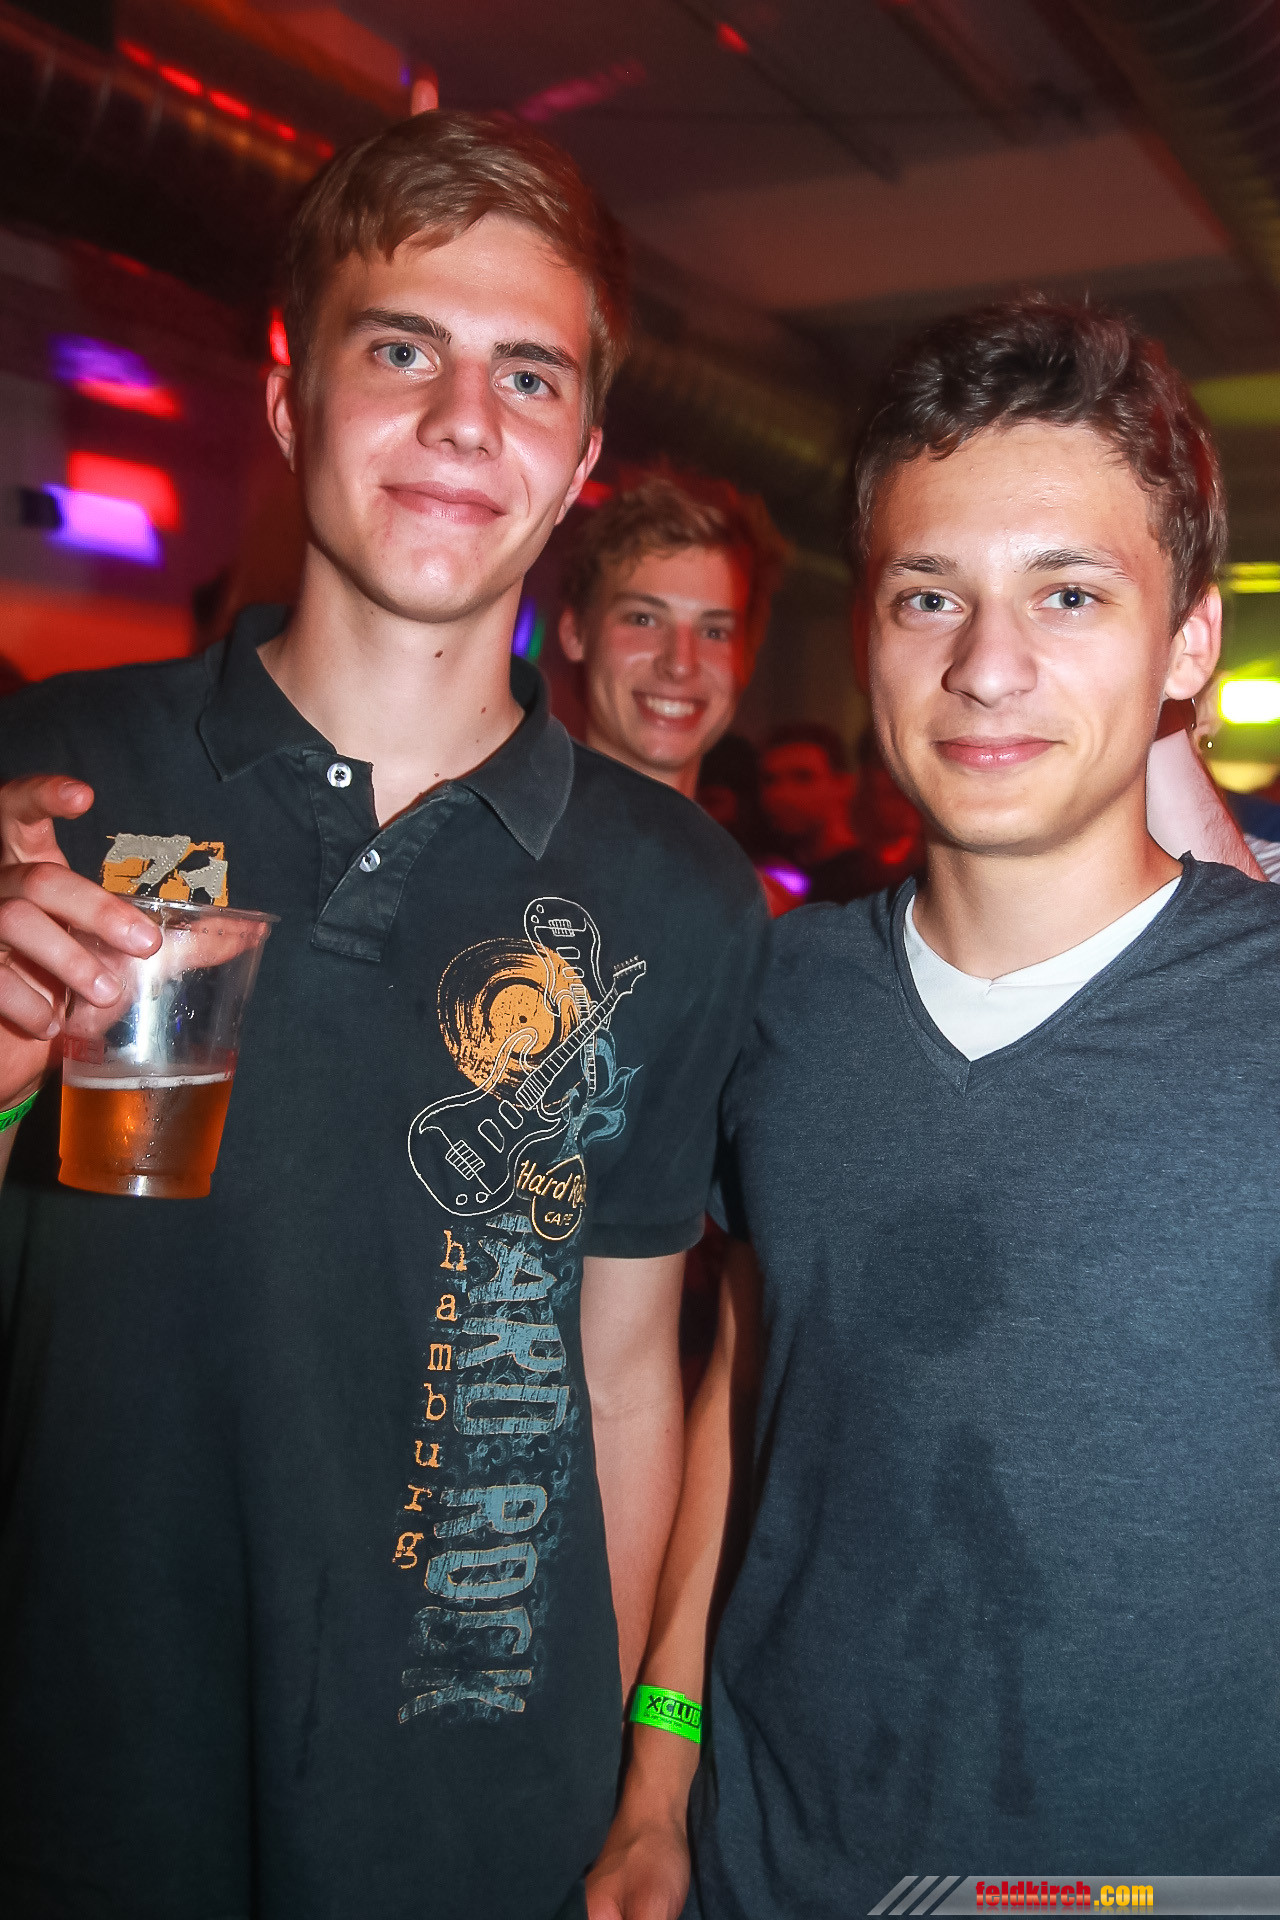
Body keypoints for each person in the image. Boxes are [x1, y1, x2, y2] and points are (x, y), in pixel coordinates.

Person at [0, 113, 768, 1920]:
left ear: (580, 460)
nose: (464, 420)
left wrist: (616, 1776)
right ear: (291, 400)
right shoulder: (55, 776)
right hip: (78, 1766)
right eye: (403, 350)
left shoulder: (681, 894)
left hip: (468, 1819)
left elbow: (623, 1374)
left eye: (529, 375)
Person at [588, 294, 1280, 1920]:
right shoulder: (779, 995)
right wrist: (661, 1774)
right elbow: (751, 1380)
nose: (987, 666)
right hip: (782, 1865)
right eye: (930, 596)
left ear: (1188, 647)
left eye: (1068, 592)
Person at [557, 465, 788, 800]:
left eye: (714, 632)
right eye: (643, 619)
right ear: (575, 633)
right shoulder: (494, 831)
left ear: (747, 657)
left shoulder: (725, 841)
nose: (680, 664)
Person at [759, 721, 924, 901]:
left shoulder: (871, 879)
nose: (782, 794)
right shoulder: (774, 866)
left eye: (803, 777)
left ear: (843, 783)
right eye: (770, 780)